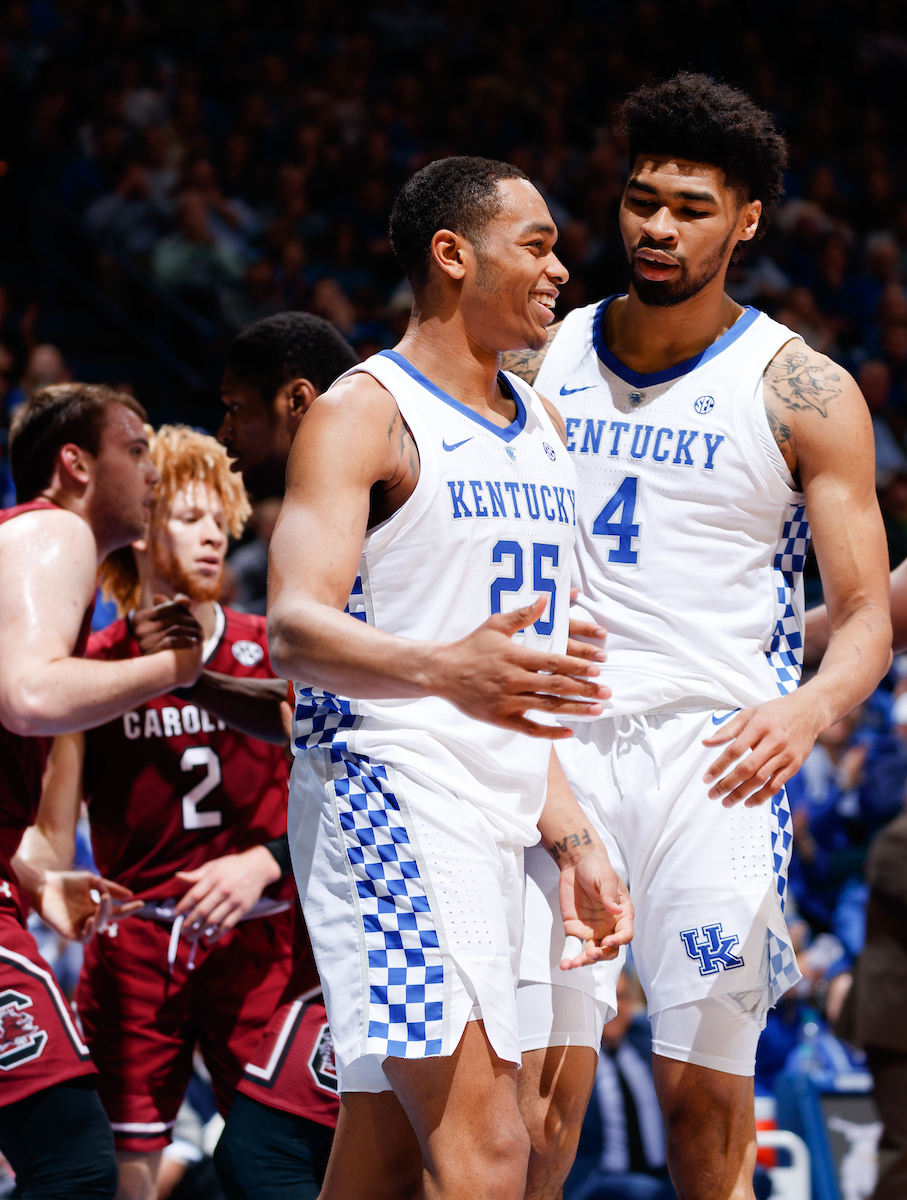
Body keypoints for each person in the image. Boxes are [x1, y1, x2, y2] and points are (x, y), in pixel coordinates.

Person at [502, 73, 892, 1200]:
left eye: (689, 206)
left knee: (703, 1092)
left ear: (747, 219)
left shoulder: (802, 391)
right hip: (556, 750)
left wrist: (811, 709)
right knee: (537, 1098)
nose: (657, 228)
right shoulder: (535, 361)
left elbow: (865, 614)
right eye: (640, 201)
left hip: (717, 765)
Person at [266, 156, 632, 1200]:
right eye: (539, 243)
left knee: (383, 1153)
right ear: (451, 253)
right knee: (490, 1149)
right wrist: (443, 667)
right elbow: (293, 627)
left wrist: (571, 834)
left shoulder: (543, 431)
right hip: (389, 789)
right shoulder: (365, 411)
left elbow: (522, 683)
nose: (562, 267)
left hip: (506, 808)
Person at [21, 426, 294, 1200]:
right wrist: (50, 882)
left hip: (263, 937)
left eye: (221, 520)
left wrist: (266, 858)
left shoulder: (272, 648)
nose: (213, 535)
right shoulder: (90, 665)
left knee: (283, 1170)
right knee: (123, 1182)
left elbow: (336, 797)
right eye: (188, 517)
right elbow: (50, 828)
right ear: (141, 526)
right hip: (141, 940)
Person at [0, 384, 202, 1199]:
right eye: (137, 447)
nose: (155, 468)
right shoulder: (56, 530)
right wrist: (178, 669)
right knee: (76, 1164)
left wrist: (34, 873)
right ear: (75, 464)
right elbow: (31, 696)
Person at [212, 313, 361, 1200]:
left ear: (297, 400)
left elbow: (367, 698)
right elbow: (318, 710)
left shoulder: (378, 519)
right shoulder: (339, 522)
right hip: (346, 890)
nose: (226, 433)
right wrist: (185, 679)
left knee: (265, 1152)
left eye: (236, 410)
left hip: (407, 883)